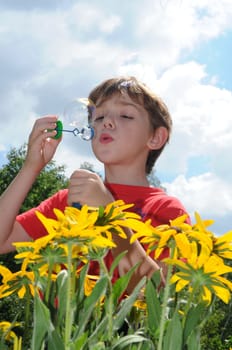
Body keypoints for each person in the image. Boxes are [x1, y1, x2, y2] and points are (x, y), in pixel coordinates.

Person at [0, 76, 189, 293]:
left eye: (126, 115)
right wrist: (31, 167)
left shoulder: (165, 210)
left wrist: (109, 213)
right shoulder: (68, 200)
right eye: (98, 117)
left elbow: (160, 295)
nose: (106, 122)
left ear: (156, 138)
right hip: (63, 328)